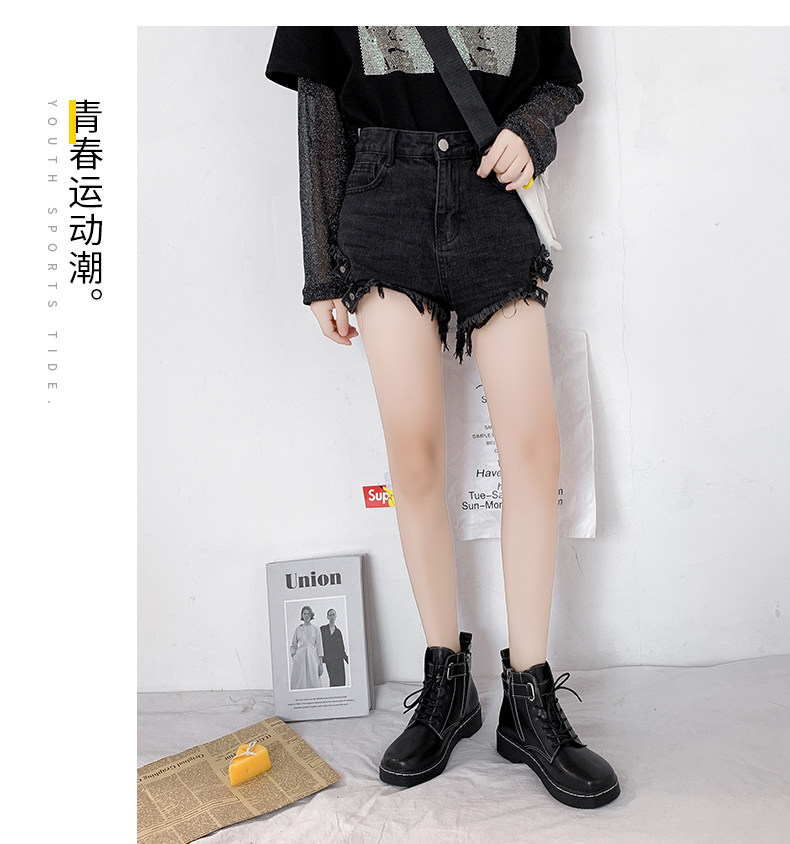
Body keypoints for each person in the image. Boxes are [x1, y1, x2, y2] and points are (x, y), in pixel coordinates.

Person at [266, 26, 620, 808]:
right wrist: (320, 272)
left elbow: (558, 79)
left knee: (535, 453)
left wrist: (530, 132)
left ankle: (528, 697)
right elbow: (319, 110)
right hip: (383, 198)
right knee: (416, 455)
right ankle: (446, 684)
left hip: (493, 198)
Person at [289, 605, 324, 689]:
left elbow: (320, 646)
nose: (307, 616)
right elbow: (293, 645)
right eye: (305, 614)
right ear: (302, 615)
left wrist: (321, 664)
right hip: (300, 660)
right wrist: (294, 655)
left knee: (314, 682)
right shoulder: (298, 629)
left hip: (312, 659)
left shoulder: (316, 629)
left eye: (308, 614)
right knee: (300, 683)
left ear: (311, 615)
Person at [319, 608, 350, 686]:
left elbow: (342, 649)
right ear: (327, 617)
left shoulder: (338, 632)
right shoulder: (323, 629)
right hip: (329, 660)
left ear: (336, 616)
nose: (332, 617)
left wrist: (349, 660)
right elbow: (317, 641)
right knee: (333, 681)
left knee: (341, 681)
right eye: (330, 615)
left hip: (339, 660)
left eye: (333, 615)